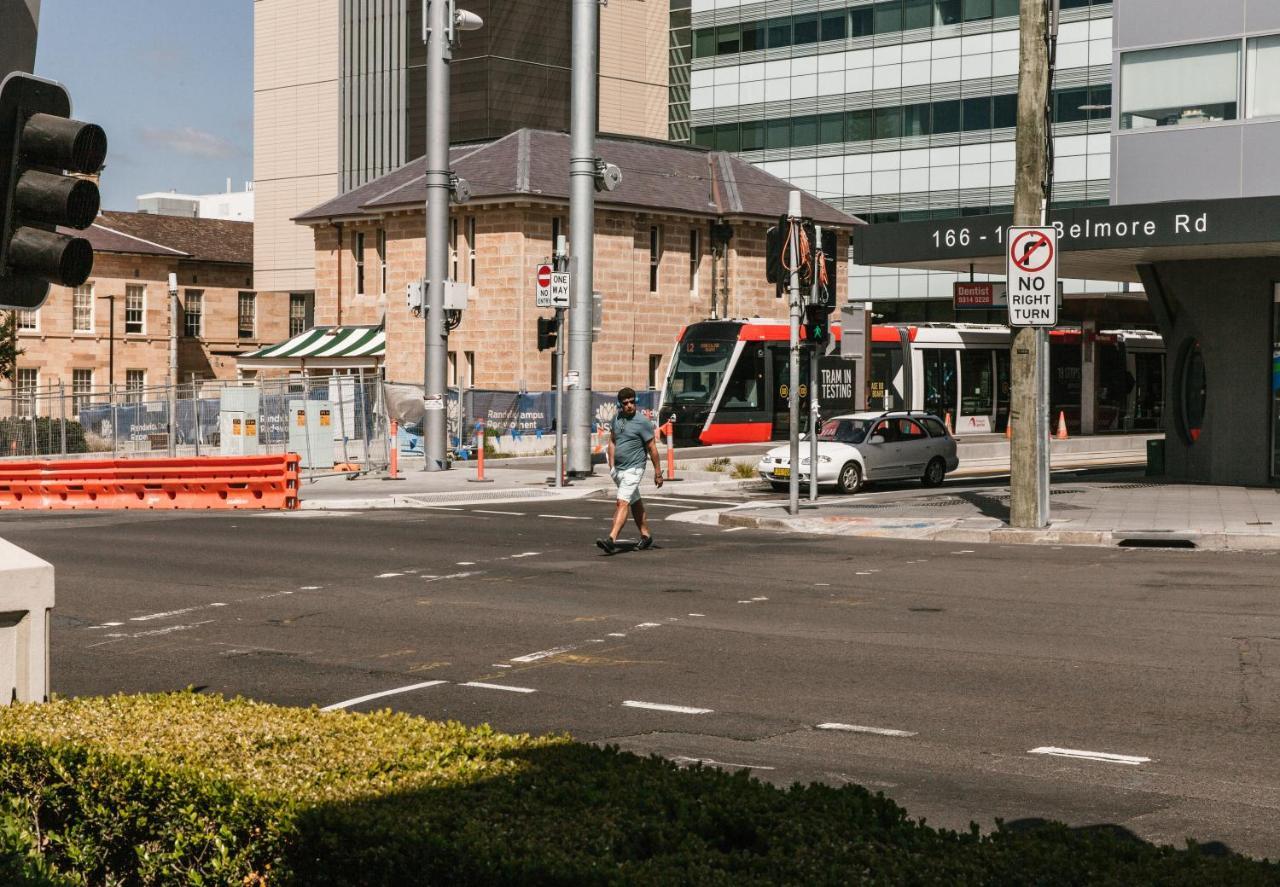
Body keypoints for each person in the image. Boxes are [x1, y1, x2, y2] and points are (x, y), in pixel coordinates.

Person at [597, 387, 663, 554]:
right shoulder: (616, 419)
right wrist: (611, 465)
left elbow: (652, 448)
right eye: (625, 403)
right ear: (620, 404)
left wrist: (658, 472)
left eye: (632, 402)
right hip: (619, 470)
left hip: (635, 468)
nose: (629, 406)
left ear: (636, 402)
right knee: (635, 502)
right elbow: (612, 441)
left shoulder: (643, 422)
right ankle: (646, 536)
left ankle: (611, 539)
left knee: (622, 502)